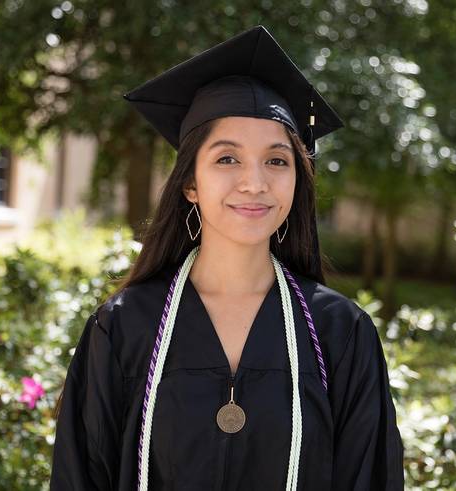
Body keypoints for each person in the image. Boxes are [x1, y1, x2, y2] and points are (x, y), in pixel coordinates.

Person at [50, 25, 405, 490]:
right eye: (227, 159)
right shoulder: (123, 328)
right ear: (190, 184)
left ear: (298, 181)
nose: (255, 183)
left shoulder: (339, 333)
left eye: (277, 161)